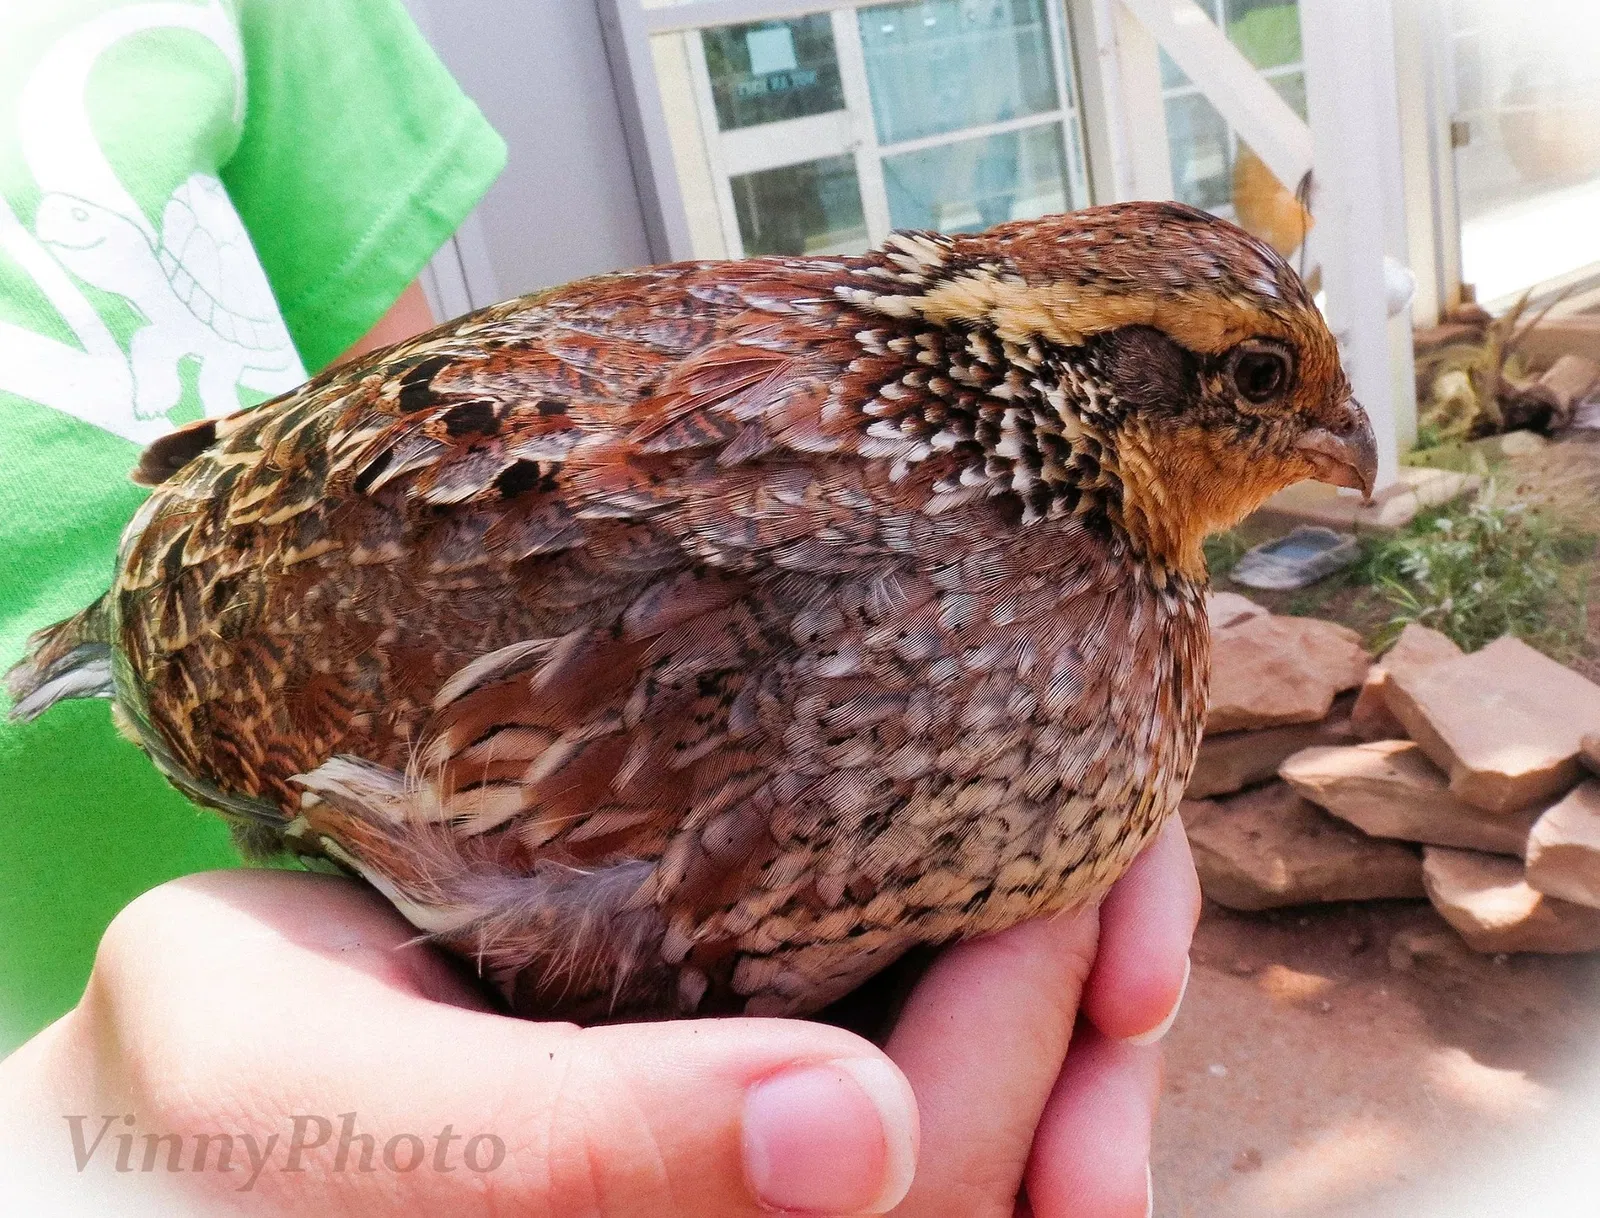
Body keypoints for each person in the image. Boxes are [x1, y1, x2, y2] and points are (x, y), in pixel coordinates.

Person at [0, 2, 1198, 1214]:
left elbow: (397, 388)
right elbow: (393, 521)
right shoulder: (644, 571)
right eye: (1256, 384)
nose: (1342, 434)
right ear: (1112, 379)